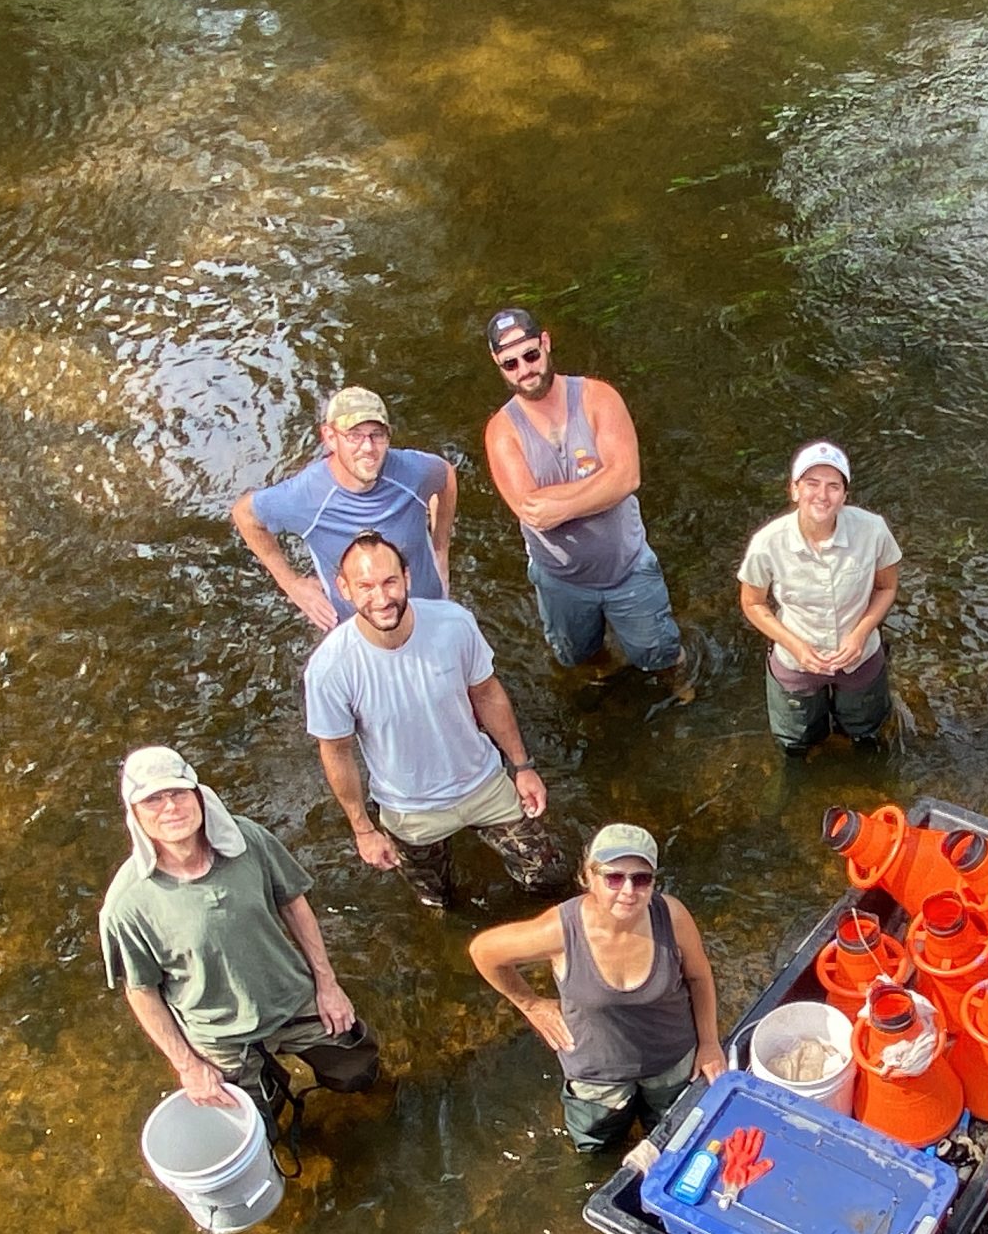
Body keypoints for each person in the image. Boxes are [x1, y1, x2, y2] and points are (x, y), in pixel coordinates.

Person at [98, 746, 379, 1119]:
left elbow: (294, 904)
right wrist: (188, 1065)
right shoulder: (127, 904)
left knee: (360, 1068)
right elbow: (141, 990)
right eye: (153, 799)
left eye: (178, 792)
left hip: (294, 998)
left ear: (198, 794)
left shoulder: (248, 839)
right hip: (221, 1037)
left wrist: (328, 985)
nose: (171, 807)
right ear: (134, 813)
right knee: (259, 1116)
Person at [306, 532, 567, 910]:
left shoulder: (453, 623)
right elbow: (336, 751)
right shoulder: (331, 668)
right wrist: (363, 829)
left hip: (483, 784)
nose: (381, 599)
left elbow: (487, 693)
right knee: (438, 903)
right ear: (343, 588)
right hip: (409, 809)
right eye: (365, 586)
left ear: (407, 578)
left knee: (549, 875)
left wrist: (522, 766)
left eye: (389, 582)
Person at [467, 823, 727, 1150]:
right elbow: (484, 952)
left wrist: (710, 1043)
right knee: (596, 1150)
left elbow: (700, 977)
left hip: (672, 1064)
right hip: (598, 1078)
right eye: (614, 877)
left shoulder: (671, 916)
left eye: (641, 878)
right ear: (588, 877)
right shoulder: (560, 931)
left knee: (680, 1141)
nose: (628, 890)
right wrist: (531, 1004)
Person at [480, 309, 685, 684]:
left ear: (545, 342)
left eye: (530, 355)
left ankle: (680, 691)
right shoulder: (501, 432)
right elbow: (534, 512)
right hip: (561, 582)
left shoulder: (597, 398)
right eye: (510, 363)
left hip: (629, 569)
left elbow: (627, 477)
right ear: (498, 364)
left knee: (661, 654)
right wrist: (598, 483)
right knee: (581, 659)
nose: (524, 369)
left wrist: (563, 501)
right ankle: (605, 683)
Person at [232, 386, 457, 632]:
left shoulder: (412, 472)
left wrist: (440, 547)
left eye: (377, 434)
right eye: (354, 436)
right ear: (330, 437)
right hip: (358, 627)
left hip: (429, 609)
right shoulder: (305, 497)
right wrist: (292, 584)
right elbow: (245, 515)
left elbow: (445, 476)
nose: (368, 448)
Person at [737, 440, 902, 754]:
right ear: (794, 490)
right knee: (795, 742)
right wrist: (795, 646)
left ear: (844, 495)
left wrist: (859, 635)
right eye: (812, 484)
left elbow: (886, 587)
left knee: (866, 731)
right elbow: (753, 602)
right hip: (795, 660)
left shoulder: (873, 530)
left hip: (860, 656)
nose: (822, 495)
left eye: (833, 486)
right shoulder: (767, 543)